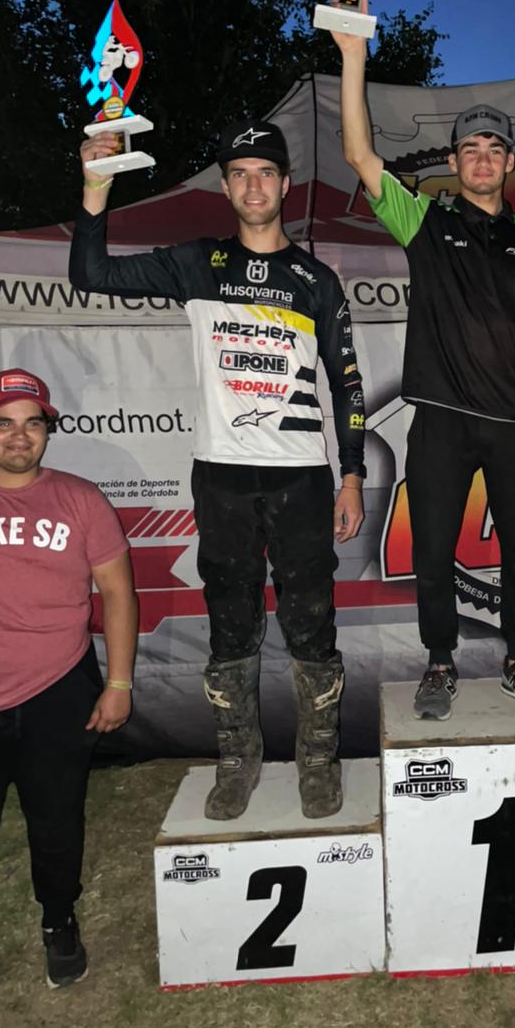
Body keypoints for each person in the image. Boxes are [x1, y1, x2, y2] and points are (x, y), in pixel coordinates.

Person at [71, 120, 365, 821]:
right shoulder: (197, 262)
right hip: (223, 478)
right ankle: (237, 760)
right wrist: (94, 188)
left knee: (311, 626)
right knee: (231, 627)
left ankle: (317, 760)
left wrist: (352, 475)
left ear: (286, 185)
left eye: (265, 173)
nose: (253, 186)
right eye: (239, 174)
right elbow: (91, 274)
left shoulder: (317, 281)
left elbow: (348, 384)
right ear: (226, 188)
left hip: (301, 477)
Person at [332, 22, 515, 721]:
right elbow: (359, 154)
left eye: (494, 148)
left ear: (509, 162)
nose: (483, 159)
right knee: (433, 551)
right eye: (471, 149)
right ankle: (439, 663)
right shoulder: (426, 223)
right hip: (440, 419)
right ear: (455, 162)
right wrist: (353, 57)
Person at [0, 368, 137, 1023]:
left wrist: (119, 683)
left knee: (57, 819)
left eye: (32, 423)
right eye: (3, 423)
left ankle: (59, 920)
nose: (18, 436)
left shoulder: (80, 500)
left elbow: (118, 594)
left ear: (47, 431)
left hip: (56, 690)